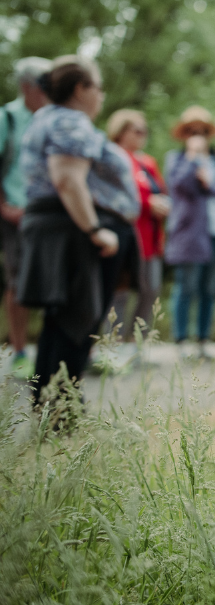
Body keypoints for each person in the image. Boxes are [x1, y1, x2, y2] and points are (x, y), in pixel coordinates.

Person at [17, 55, 140, 411]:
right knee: (77, 318)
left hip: (56, 226)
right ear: (80, 88)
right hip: (72, 229)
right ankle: (62, 409)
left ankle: (52, 406)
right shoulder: (71, 121)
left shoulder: (47, 118)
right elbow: (68, 179)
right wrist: (95, 229)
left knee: (64, 319)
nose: (101, 96)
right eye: (98, 87)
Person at [164, 106, 215, 360]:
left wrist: (212, 183)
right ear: (185, 135)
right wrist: (191, 159)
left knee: (209, 289)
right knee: (186, 287)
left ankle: (202, 341)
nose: (197, 135)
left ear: (209, 134)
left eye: (201, 131)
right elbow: (178, 185)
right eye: (191, 131)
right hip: (189, 235)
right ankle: (180, 341)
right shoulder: (176, 160)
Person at [0, 56, 52, 378]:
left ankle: (48, 350)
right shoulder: (7, 117)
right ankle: (19, 352)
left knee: (50, 283)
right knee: (18, 282)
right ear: (26, 86)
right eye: (44, 84)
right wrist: (4, 207)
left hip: (46, 214)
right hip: (15, 213)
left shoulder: (50, 118)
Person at [104, 110, 170, 352]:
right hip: (125, 235)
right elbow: (113, 194)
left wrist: (162, 204)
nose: (143, 135)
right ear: (121, 132)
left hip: (150, 238)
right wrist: (146, 203)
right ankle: (110, 346)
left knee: (151, 289)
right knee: (119, 292)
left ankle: (137, 345)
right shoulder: (113, 157)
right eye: (137, 130)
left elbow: (160, 191)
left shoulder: (147, 162)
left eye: (145, 130)